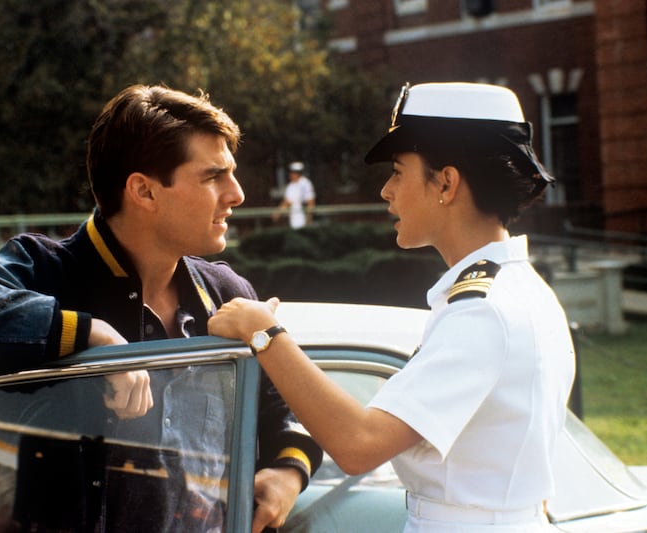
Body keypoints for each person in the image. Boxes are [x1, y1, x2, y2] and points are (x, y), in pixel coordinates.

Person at [0, 84, 321, 532]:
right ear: (144, 192)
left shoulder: (226, 292)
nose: (237, 193)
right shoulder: (47, 272)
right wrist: (93, 338)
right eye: (212, 177)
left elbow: (287, 411)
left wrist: (288, 473)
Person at [209, 82, 576, 532]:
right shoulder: (516, 290)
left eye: (399, 172)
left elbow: (359, 444)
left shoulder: (484, 311)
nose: (386, 191)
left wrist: (264, 333)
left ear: (446, 182)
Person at [274, 161, 315, 229]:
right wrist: (278, 212)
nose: (291, 174)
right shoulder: (290, 186)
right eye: (291, 172)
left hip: (303, 215)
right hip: (294, 218)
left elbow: (310, 201)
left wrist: (309, 217)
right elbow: (287, 201)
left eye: (294, 172)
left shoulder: (305, 183)